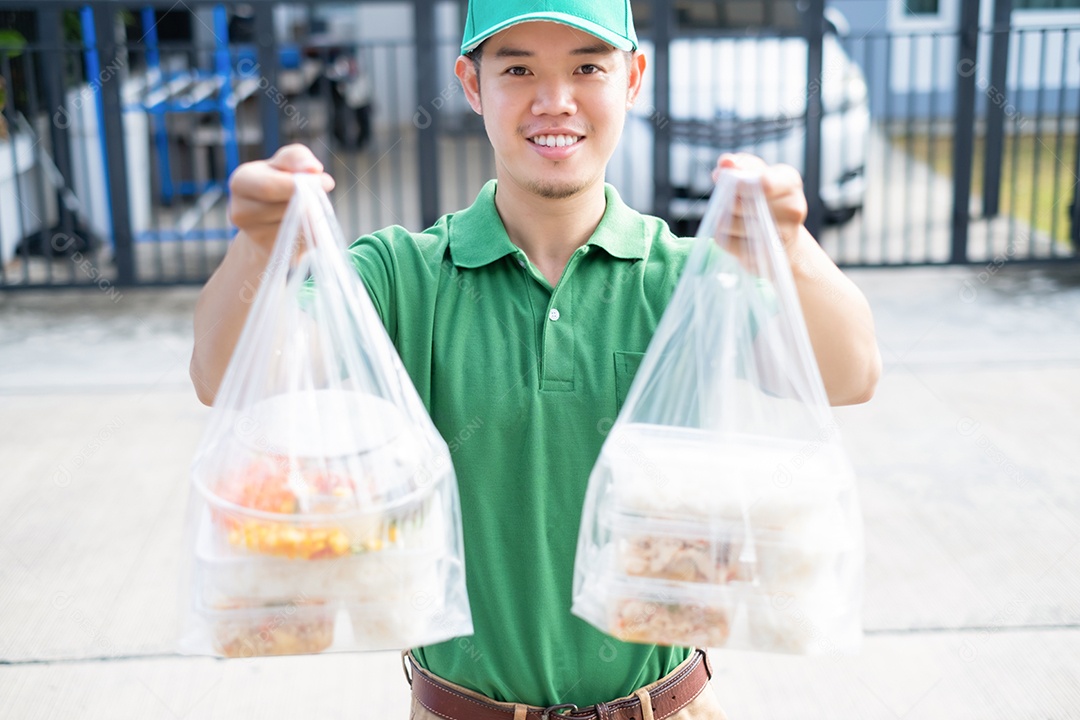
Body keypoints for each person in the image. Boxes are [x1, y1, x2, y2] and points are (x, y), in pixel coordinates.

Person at [191, 0, 881, 717]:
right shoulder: (401, 276)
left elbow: (852, 372)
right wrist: (260, 249)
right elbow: (226, 376)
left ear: (633, 78)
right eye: (518, 68)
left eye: (587, 66)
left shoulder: (685, 278)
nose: (555, 101)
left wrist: (793, 249)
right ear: (471, 84)